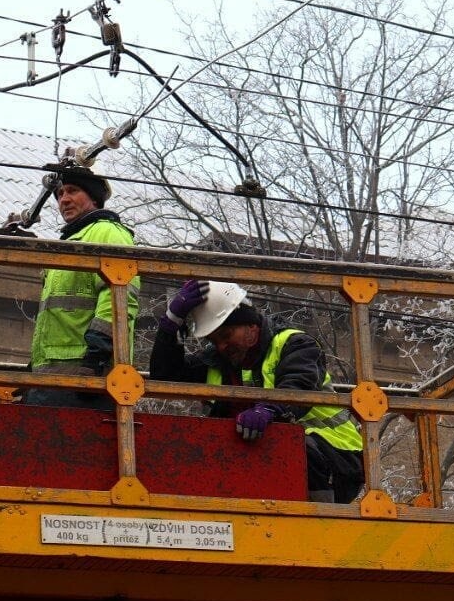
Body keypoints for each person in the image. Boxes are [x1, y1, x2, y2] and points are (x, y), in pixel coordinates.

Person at [150, 280, 364, 503]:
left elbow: (298, 385)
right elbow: (164, 377)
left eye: (226, 335)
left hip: (336, 459)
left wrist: (267, 410)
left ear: (251, 326)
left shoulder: (294, 344)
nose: (221, 346)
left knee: (287, 441)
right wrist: (170, 324)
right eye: (214, 340)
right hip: (263, 466)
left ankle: (318, 523)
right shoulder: (217, 361)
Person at [23, 166, 139, 411]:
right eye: (60, 193)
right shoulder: (71, 242)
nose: (64, 199)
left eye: (73, 191)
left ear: (93, 197)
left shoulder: (108, 233)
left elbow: (119, 299)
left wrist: (96, 355)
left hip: (87, 376)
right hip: (55, 379)